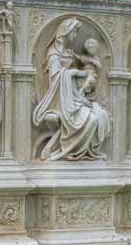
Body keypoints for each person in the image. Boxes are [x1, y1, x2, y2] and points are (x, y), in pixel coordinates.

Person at [31, 18, 111, 161]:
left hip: (73, 95)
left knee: (99, 116)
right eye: (74, 32)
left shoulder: (69, 52)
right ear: (66, 33)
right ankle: (68, 151)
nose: (75, 36)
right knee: (91, 119)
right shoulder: (53, 54)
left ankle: (83, 152)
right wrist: (75, 73)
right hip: (58, 99)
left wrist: (84, 81)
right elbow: (55, 79)